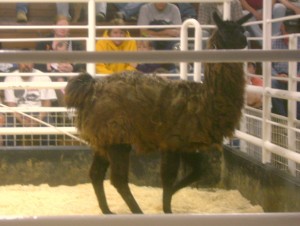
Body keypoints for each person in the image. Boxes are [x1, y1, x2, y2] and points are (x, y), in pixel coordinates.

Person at [3, 59, 57, 146]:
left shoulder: (43, 77)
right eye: (23, 62)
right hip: (18, 112)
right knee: (8, 128)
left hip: (39, 112)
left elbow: (47, 103)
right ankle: (11, 157)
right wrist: (22, 120)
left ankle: (48, 157)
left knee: (50, 127)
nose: (26, 65)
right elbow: (11, 105)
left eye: (29, 62)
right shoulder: (10, 78)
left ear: (33, 63)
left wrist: (37, 120)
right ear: (18, 63)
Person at [137, 2, 182, 72]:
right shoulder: (145, 9)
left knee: (177, 44)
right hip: (152, 40)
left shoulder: (174, 9)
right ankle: (150, 69)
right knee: (147, 42)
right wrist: (166, 32)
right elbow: (143, 32)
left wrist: (154, 34)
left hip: (170, 41)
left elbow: (178, 32)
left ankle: (174, 70)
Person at [271, 24, 300, 118]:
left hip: (296, 74)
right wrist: (276, 75)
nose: (288, 36)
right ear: (282, 28)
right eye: (287, 32)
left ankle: (296, 119)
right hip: (277, 75)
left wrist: (296, 75)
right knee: (272, 83)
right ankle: (282, 118)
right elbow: (267, 64)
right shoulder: (274, 41)